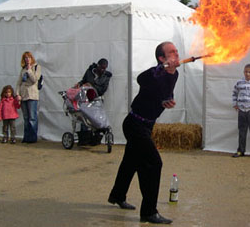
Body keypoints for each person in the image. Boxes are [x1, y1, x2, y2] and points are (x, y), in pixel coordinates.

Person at [108, 41, 179, 224]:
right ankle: (148, 211)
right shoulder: (153, 74)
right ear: (161, 58)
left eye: (177, 52)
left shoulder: (174, 74)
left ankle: (117, 195)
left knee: (131, 161)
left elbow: (165, 93)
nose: (176, 54)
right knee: (153, 163)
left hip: (147, 126)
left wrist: (167, 101)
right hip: (134, 124)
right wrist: (162, 69)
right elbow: (142, 79)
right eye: (171, 52)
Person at [75, 58, 112, 145]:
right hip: (85, 98)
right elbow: (83, 80)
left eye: (105, 68)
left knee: (96, 119)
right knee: (84, 117)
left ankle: (95, 138)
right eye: (101, 68)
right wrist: (79, 84)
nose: (103, 70)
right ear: (98, 65)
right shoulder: (89, 71)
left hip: (97, 100)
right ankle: (84, 138)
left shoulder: (106, 76)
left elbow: (102, 90)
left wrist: (91, 86)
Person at [15, 51, 41, 143]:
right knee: (26, 117)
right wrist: (17, 94)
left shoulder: (36, 67)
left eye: (29, 57)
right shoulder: (22, 69)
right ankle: (26, 136)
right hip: (23, 95)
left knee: (32, 117)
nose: (27, 59)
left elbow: (34, 79)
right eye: (25, 58)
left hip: (32, 95)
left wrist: (29, 70)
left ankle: (33, 137)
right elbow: (19, 82)